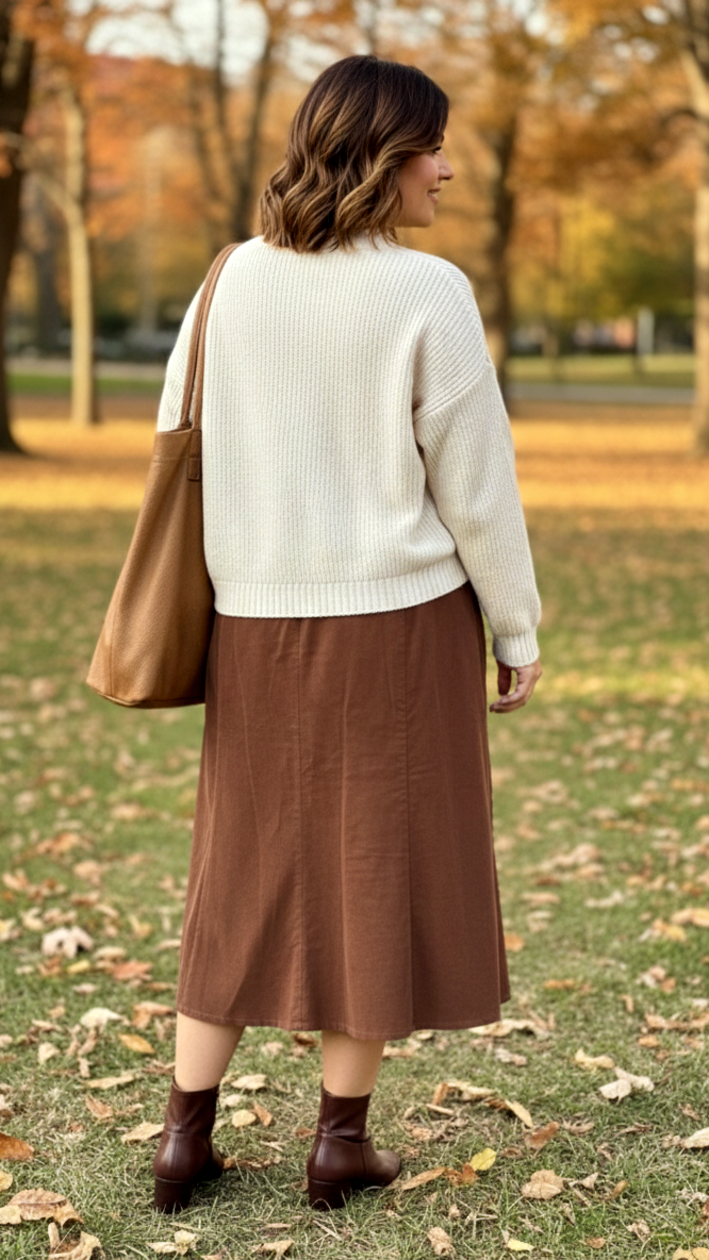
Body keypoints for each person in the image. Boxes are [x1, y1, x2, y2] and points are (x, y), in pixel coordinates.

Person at [151, 53, 542, 1216]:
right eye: (433, 145)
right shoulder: (428, 294)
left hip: (255, 626)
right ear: (382, 154)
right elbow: (477, 490)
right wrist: (514, 628)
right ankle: (338, 1143)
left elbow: (180, 432)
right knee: (375, 870)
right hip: (400, 629)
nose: (448, 166)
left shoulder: (228, 281)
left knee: (239, 873)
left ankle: (184, 1139)